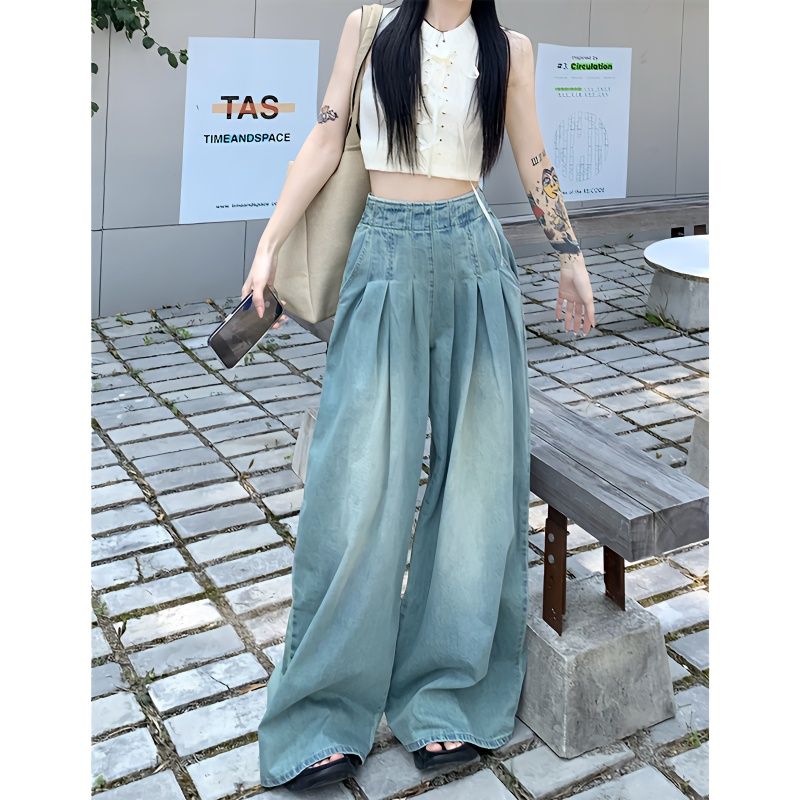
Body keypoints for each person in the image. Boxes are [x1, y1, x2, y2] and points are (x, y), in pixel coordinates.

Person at [246, 0, 596, 791]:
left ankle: (446, 694)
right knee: (354, 486)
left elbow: (534, 158)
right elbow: (325, 139)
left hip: (474, 263)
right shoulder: (369, 29)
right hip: (384, 259)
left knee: (476, 486)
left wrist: (570, 256)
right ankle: (323, 711)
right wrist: (267, 246)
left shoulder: (510, 49)